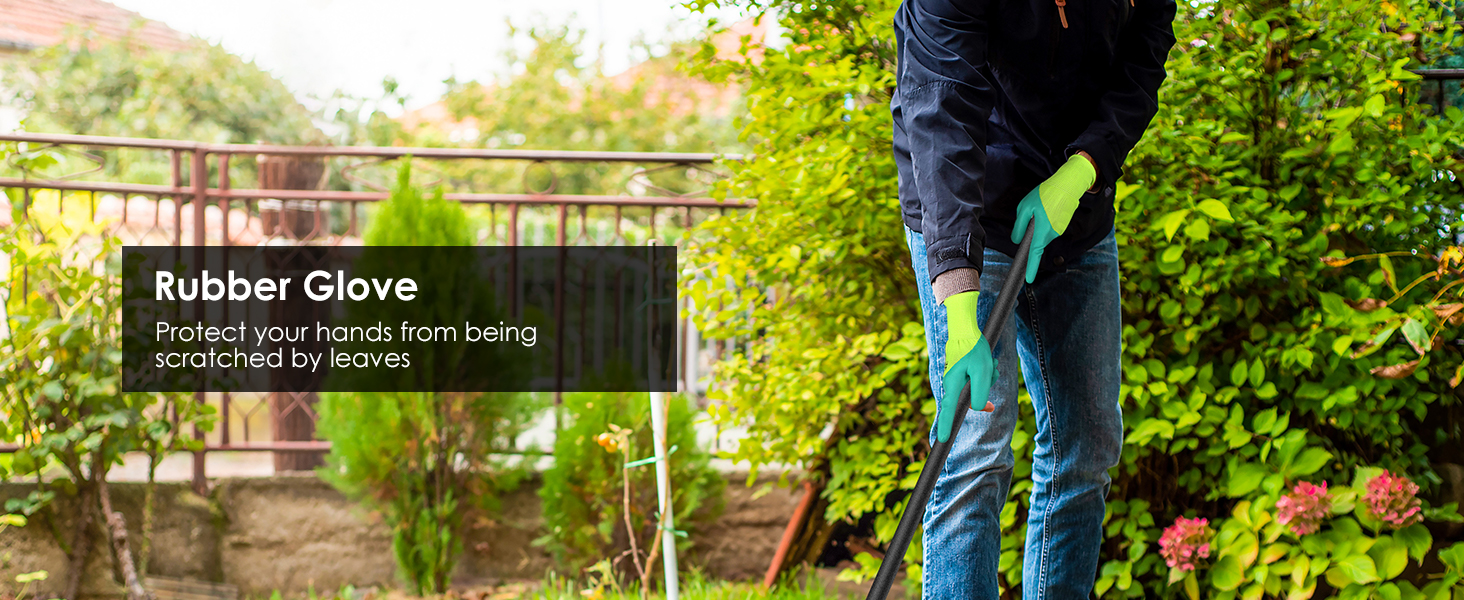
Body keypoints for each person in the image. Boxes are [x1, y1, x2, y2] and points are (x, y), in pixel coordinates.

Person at [890, 0, 1177, 597]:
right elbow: (942, 115)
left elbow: (1141, 66)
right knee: (973, 451)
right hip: (966, 209)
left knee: (1087, 448)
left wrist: (1081, 171)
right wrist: (961, 313)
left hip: (1075, 211)